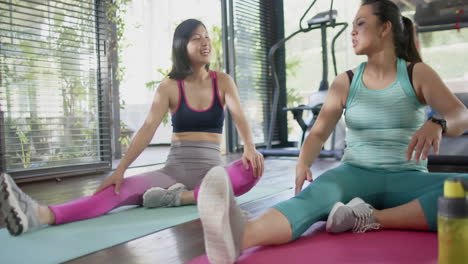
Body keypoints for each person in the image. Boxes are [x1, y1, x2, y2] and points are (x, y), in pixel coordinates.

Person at [196, 1, 468, 263]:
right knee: (310, 199)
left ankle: (369, 217)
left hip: (408, 179)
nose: (352, 31)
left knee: (463, 188)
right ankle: (239, 236)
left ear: (385, 28)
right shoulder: (346, 82)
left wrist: (437, 123)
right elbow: (318, 133)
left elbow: (460, 114)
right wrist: (303, 162)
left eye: (361, 24)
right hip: (354, 175)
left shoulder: (416, 73)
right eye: (352, 25)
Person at [0, 18, 264, 236]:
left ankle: (179, 198)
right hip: (173, 172)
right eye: (196, 37)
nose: (205, 41)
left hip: (212, 172)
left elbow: (239, 116)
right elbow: (147, 129)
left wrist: (249, 147)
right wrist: (120, 171)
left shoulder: (224, 81)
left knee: (253, 166)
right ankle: (38, 214)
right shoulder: (170, 86)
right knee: (116, 191)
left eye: (206, 36)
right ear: (182, 45)